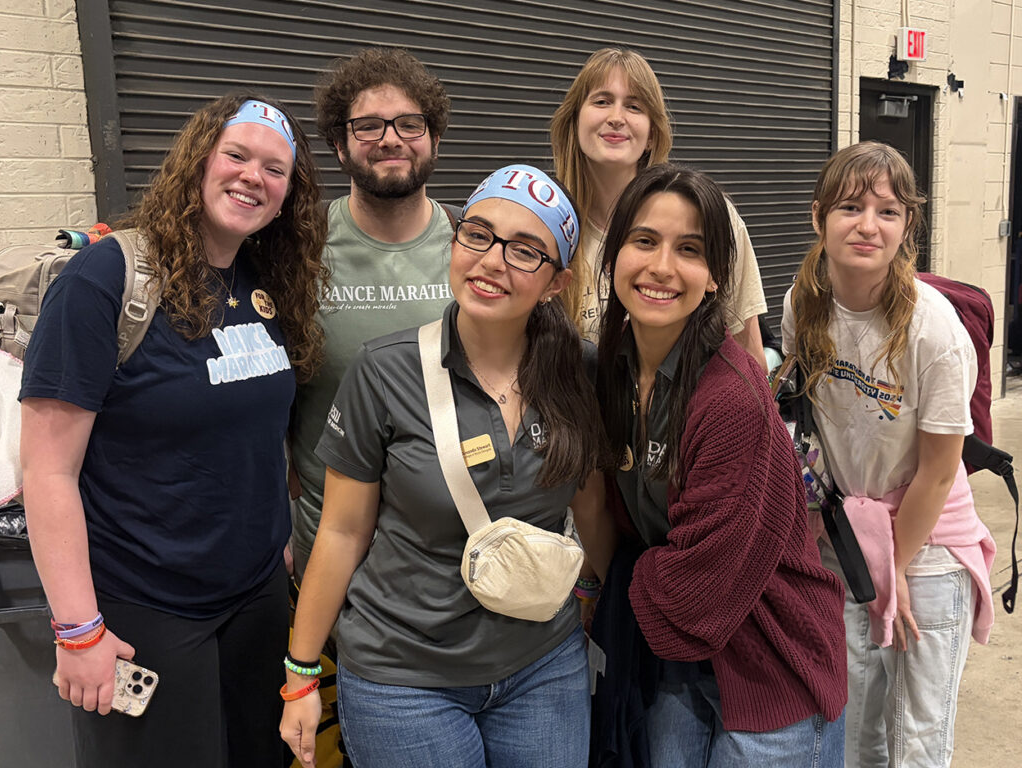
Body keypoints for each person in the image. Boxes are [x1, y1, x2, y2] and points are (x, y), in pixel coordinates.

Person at [19, 92, 326, 767]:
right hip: (145, 611)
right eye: (237, 156)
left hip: (255, 602)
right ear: (197, 162)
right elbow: (46, 470)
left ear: (288, 197)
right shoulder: (107, 279)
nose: (254, 177)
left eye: (276, 170)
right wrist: (78, 631)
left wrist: (275, 542)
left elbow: (257, 427)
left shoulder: (267, 279)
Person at [279, 165, 615, 768]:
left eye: (525, 251)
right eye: (478, 235)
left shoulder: (580, 372)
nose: (492, 260)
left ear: (558, 281)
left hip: (543, 665)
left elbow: (590, 503)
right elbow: (341, 531)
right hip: (403, 676)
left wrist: (593, 591)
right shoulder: (384, 372)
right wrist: (302, 674)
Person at [595, 163, 847, 766]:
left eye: (689, 249)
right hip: (678, 668)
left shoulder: (730, 395)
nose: (661, 267)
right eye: (644, 240)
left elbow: (699, 595)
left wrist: (616, 587)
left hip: (772, 670)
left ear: (714, 279)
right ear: (613, 255)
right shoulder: (614, 366)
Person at [782, 141, 996, 768]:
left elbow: (936, 473)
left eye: (887, 210)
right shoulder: (804, 305)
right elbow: (807, 426)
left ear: (908, 226)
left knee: (917, 741)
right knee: (855, 732)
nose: (867, 225)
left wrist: (894, 567)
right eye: (851, 206)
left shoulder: (935, 330)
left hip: (926, 550)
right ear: (819, 216)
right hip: (850, 540)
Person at [290, 46, 456, 580]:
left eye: (410, 123)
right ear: (339, 145)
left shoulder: (475, 244)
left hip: (453, 551)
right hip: (329, 551)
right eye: (367, 126)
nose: (390, 139)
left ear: (434, 138)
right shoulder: (295, 246)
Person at [550, 47, 768, 369]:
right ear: (575, 121)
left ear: (652, 134)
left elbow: (749, 354)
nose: (616, 117)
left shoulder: (710, 215)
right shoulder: (549, 226)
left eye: (634, 106)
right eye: (602, 101)